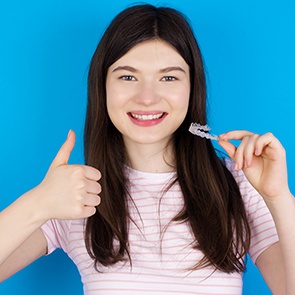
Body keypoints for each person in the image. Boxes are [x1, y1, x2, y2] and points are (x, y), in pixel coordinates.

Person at [0, 4, 294, 295]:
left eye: (169, 77)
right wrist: (38, 203)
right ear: (102, 88)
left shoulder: (238, 185)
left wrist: (279, 196)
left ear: (192, 89)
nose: (147, 98)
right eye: (128, 76)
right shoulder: (75, 196)